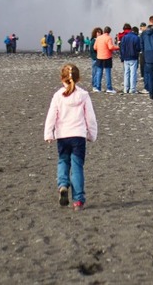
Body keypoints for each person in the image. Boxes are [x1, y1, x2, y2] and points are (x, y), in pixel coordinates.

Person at [43, 63, 98, 211]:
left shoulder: (58, 96)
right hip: (78, 136)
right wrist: (92, 135)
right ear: (78, 78)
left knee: (63, 161)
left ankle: (62, 185)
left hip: (63, 135)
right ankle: (78, 200)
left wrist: (49, 133)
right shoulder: (83, 95)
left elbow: (51, 115)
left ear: (62, 78)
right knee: (77, 166)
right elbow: (90, 118)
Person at [119, 24, 141, 94]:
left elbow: (122, 48)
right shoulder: (136, 38)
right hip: (133, 57)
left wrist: (122, 57)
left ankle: (126, 89)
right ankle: (132, 89)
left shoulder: (124, 37)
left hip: (126, 58)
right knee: (133, 74)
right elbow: (138, 48)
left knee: (126, 73)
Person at [94, 25, 116, 94]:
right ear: (109, 32)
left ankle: (98, 87)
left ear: (103, 31)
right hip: (107, 57)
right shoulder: (108, 38)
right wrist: (117, 47)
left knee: (99, 72)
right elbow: (110, 47)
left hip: (99, 57)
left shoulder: (98, 38)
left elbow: (95, 47)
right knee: (107, 73)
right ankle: (109, 88)